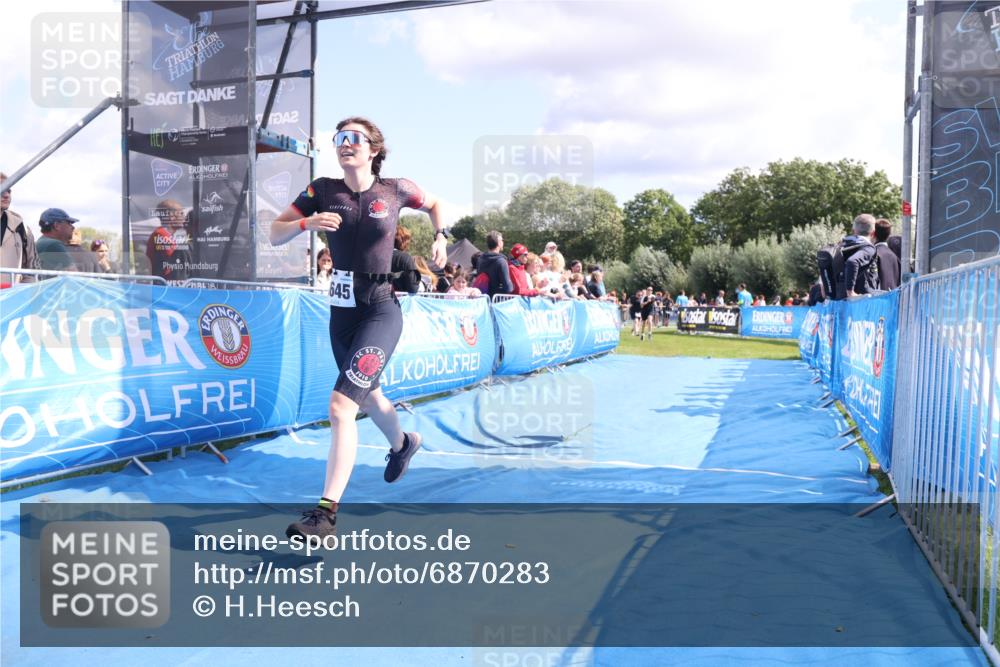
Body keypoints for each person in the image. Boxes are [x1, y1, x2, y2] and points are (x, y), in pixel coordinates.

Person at [268, 116, 447, 539]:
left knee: (340, 406)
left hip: (381, 310)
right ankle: (403, 444)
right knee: (367, 398)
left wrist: (441, 235)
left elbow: (436, 203)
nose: (345, 144)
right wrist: (304, 225)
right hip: (342, 314)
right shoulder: (322, 190)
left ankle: (325, 514)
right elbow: (275, 232)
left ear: (374, 150)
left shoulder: (397, 189)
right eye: (339, 139)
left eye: (354, 139)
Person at [0, 173, 40, 284]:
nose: (6, 195)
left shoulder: (21, 226)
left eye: (9, 190)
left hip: (12, 298)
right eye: (2, 189)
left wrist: (23, 294)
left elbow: (32, 268)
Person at [147, 199, 192, 282]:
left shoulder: (163, 234)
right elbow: (177, 262)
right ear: (171, 216)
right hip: (163, 287)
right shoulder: (161, 234)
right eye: (181, 213)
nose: (184, 217)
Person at [841, 213, 879, 298]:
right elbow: (852, 261)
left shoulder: (843, 245)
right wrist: (850, 293)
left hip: (839, 299)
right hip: (861, 301)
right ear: (873, 233)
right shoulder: (868, 248)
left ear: (854, 230)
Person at [475, 230, 513, 296]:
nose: (503, 242)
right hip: (498, 301)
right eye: (502, 240)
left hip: (483, 299)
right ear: (498, 243)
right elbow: (508, 287)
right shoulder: (501, 261)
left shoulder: (480, 259)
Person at [874, 218, 900, 291]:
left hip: (877, 298)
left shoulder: (873, 254)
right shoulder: (894, 256)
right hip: (892, 298)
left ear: (873, 233)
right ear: (889, 234)